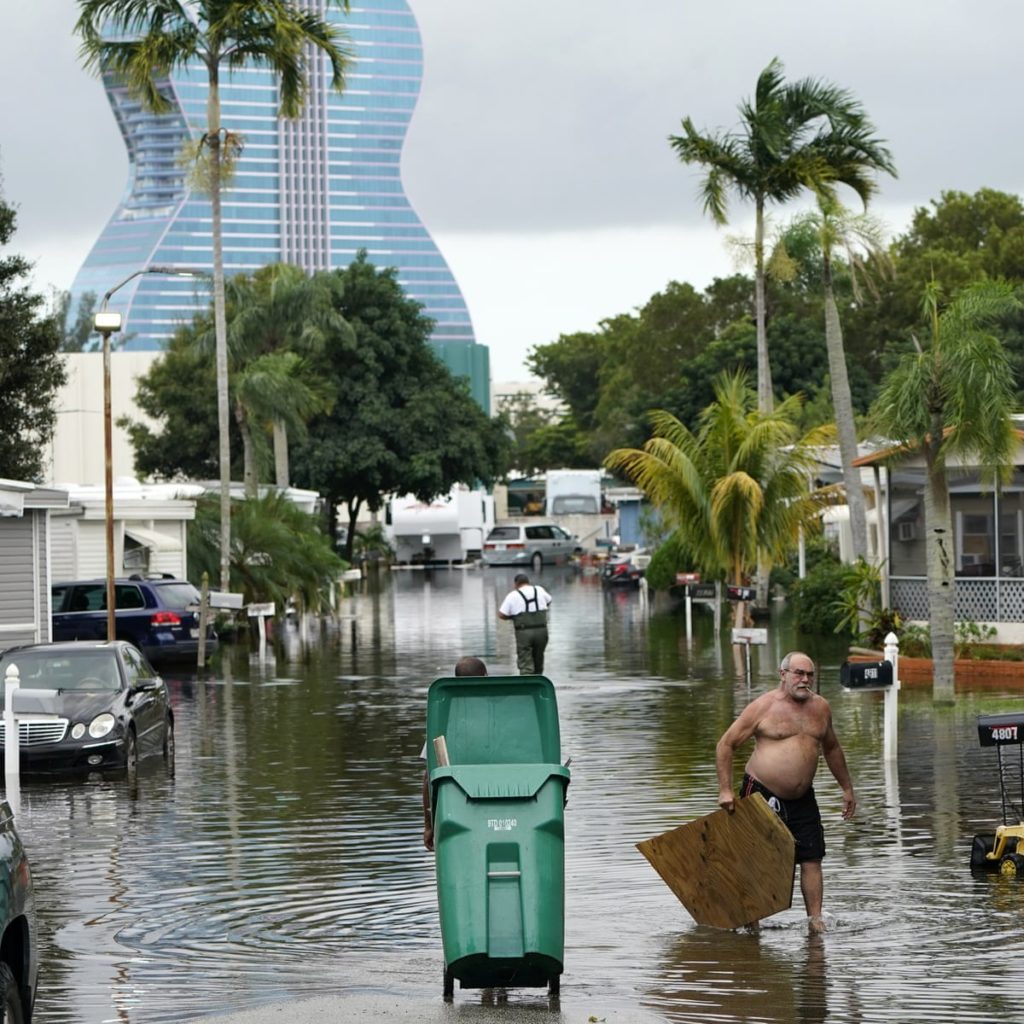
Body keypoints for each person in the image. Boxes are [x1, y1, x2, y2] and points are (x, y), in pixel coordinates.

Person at [715, 651, 856, 930]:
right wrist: (725, 790)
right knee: (757, 859)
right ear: (783, 674)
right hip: (761, 793)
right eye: (799, 673)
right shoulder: (762, 707)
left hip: (803, 797)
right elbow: (726, 745)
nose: (805, 680)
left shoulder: (821, 708)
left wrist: (847, 788)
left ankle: (815, 921)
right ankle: (751, 923)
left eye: (810, 675)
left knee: (812, 857)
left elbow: (831, 748)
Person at [422, 656, 488, 851]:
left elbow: (428, 778)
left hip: (456, 812)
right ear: (485, 677)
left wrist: (429, 826)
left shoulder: (445, 720)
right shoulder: (502, 715)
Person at [498, 573, 553, 674]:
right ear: (528, 582)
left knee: (525, 664)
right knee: (538, 661)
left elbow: (501, 614)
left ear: (516, 584)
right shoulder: (539, 590)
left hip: (524, 633)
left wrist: (513, 617)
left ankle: (527, 686)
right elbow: (549, 601)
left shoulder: (513, 595)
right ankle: (538, 684)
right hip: (542, 631)